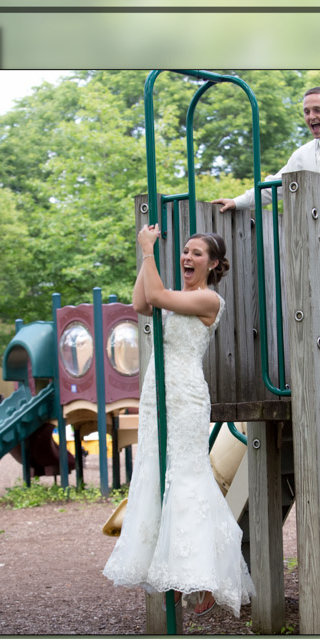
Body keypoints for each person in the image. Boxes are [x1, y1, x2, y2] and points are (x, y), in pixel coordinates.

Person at [102, 226, 254, 617]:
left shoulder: (208, 299)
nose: (187, 258)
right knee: (156, 469)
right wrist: (145, 257)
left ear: (214, 264)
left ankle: (202, 576)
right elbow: (142, 302)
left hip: (184, 392)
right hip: (157, 390)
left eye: (197, 254)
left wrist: (148, 249)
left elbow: (154, 295)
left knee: (186, 475)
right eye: (185, 252)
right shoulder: (180, 296)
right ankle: (165, 561)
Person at [211, 86, 320, 212]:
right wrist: (236, 202)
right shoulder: (301, 154)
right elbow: (274, 187)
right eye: (307, 112)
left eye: (317, 110)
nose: (311, 116)